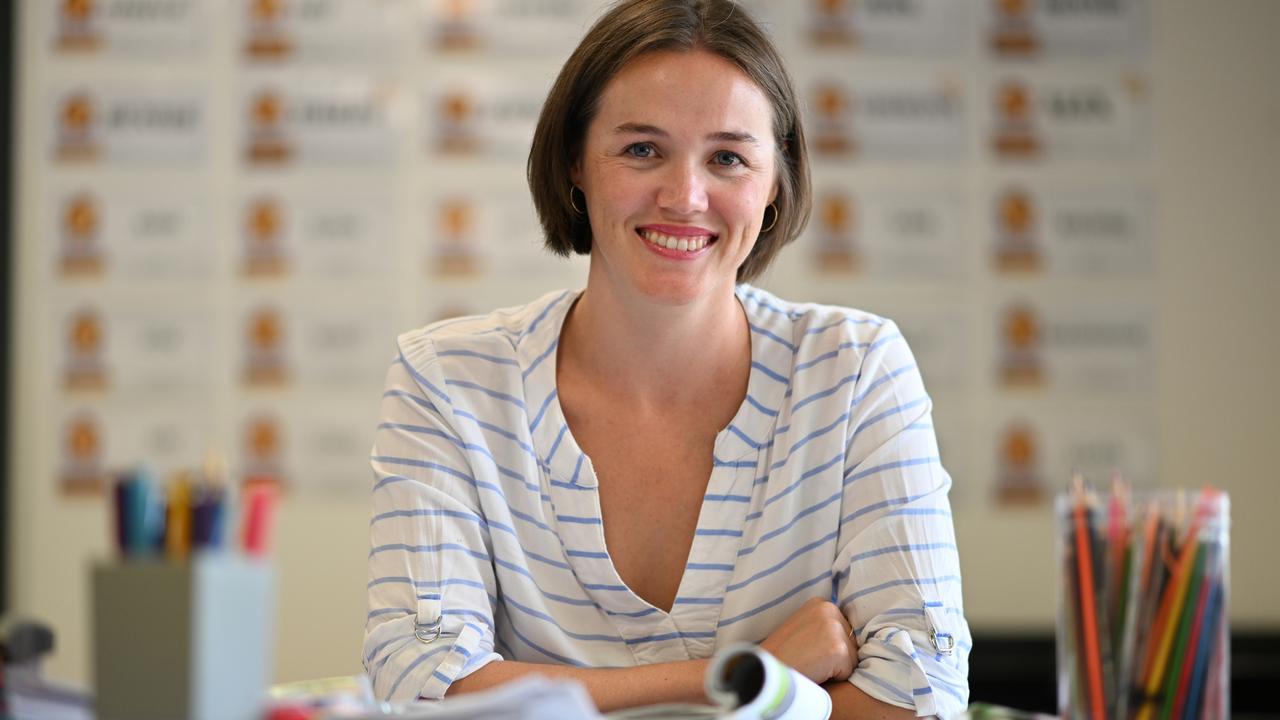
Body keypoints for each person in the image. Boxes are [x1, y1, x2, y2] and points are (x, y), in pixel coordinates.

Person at [363, 1, 970, 717]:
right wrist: (750, 677)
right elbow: (418, 687)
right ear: (574, 165)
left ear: (774, 185)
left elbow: (921, 696)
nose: (685, 196)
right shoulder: (448, 380)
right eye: (642, 149)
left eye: (727, 158)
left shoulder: (858, 369)